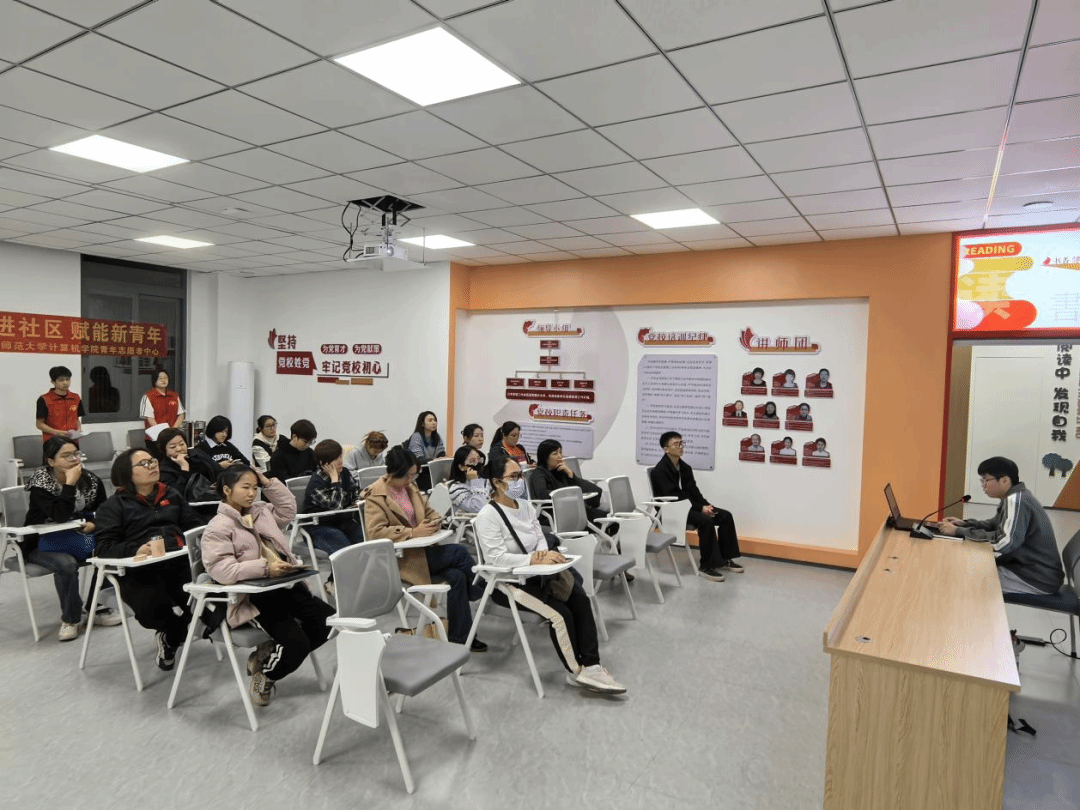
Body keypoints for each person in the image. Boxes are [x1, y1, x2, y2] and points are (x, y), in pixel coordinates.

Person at [474, 455, 627, 695]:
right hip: (510, 584)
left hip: (539, 575)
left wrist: (543, 555)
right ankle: (576, 672)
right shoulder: (488, 516)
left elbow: (540, 538)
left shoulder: (525, 507)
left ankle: (592, 665)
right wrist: (533, 559)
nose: (519, 481)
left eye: (520, 475)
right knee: (560, 615)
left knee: (580, 599)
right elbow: (496, 559)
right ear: (496, 482)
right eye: (513, 477)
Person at [202, 465, 335, 708]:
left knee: (329, 622)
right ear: (227, 490)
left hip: (286, 585)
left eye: (255, 488)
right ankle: (266, 674)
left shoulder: (261, 511)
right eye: (245, 487)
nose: (252, 493)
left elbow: (289, 510)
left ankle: (270, 653)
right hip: (256, 597)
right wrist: (264, 569)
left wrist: (268, 482)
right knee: (298, 645)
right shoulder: (217, 527)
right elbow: (222, 570)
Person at [939, 457, 1065, 661]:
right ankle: (981, 637)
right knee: (969, 573)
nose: (983, 486)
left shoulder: (1016, 501)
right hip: (1029, 569)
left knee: (968, 583)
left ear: (1004, 480)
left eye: (986, 480)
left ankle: (980, 644)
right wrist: (966, 524)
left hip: (1036, 577)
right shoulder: (1015, 497)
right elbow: (996, 525)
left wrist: (960, 532)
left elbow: (1003, 542)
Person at [362, 447, 486, 651]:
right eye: (408, 475)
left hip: (423, 552)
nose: (411, 479)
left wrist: (434, 522)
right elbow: (375, 532)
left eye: (414, 475)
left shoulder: (410, 487)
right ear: (394, 472)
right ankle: (483, 590)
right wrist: (412, 532)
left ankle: (460, 638)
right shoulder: (376, 495)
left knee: (457, 576)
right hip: (402, 559)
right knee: (459, 552)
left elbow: (431, 512)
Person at [93, 449, 204, 671]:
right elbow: (103, 547)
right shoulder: (113, 506)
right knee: (152, 610)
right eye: (144, 463)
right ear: (127, 473)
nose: (152, 465)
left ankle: (171, 637)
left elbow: (193, 526)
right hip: (140, 572)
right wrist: (136, 549)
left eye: (153, 461)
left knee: (207, 607)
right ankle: (172, 632)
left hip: (178, 563)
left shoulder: (171, 494)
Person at [23, 436, 121, 641]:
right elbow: (59, 515)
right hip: (42, 543)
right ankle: (71, 619)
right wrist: (70, 483)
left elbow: (104, 512)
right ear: (51, 461)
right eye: (66, 455)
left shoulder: (91, 480)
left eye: (76, 454)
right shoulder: (41, 483)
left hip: (76, 538)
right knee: (66, 563)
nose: (74, 459)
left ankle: (97, 608)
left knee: (109, 550)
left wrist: (94, 523)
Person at [651, 431, 744, 582]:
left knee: (725, 516)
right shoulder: (659, 471)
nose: (681, 447)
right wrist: (699, 509)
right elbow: (674, 497)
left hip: (688, 507)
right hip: (671, 510)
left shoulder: (685, 468)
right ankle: (706, 566)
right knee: (705, 520)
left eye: (681, 443)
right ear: (666, 449)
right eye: (676, 444)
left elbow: (694, 492)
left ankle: (724, 559)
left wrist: (705, 505)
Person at [302, 439, 364, 558]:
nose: (341, 461)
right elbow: (336, 506)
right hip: (319, 527)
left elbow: (355, 493)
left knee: (366, 540)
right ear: (323, 464)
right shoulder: (316, 484)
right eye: (335, 459)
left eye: (340, 456)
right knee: (346, 552)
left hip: (343, 522)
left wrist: (357, 501)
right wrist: (335, 481)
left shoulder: (345, 473)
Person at [529, 439, 609, 527]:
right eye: (555, 454)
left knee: (610, 520)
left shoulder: (560, 471)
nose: (560, 456)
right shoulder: (539, 474)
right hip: (557, 516)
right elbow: (542, 494)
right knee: (607, 522)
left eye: (560, 452)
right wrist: (570, 495)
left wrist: (571, 475)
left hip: (573, 511)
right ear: (545, 457)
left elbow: (595, 490)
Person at [157, 428, 219, 505]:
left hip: (214, 497)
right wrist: (184, 468)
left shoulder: (197, 453)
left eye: (182, 444)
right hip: (190, 506)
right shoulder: (163, 469)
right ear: (164, 450)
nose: (179, 449)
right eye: (173, 447)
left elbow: (218, 470)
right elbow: (175, 494)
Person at [36, 365, 83, 443]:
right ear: (53, 382)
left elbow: (76, 419)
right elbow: (39, 424)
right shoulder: (44, 399)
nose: (65, 383)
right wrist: (57, 432)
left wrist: (79, 430)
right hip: (52, 441)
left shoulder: (76, 398)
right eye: (61, 380)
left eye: (67, 379)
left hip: (72, 439)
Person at [447, 445, 490, 514]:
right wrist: (475, 481)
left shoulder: (484, 481)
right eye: (472, 461)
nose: (477, 463)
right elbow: (479, 507)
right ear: (461, 467)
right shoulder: (456, 489)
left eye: (479, 459)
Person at [140, 367, 185, 432]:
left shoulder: (174, 395)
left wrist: (173, 429)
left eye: (165, 378)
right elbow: (149, 418)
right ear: (154, 380)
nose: (163, 380)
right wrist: (161, 432)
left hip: (172, 433)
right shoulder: (148, 396)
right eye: (160, 378)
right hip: (155, 434)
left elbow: (181, 415)